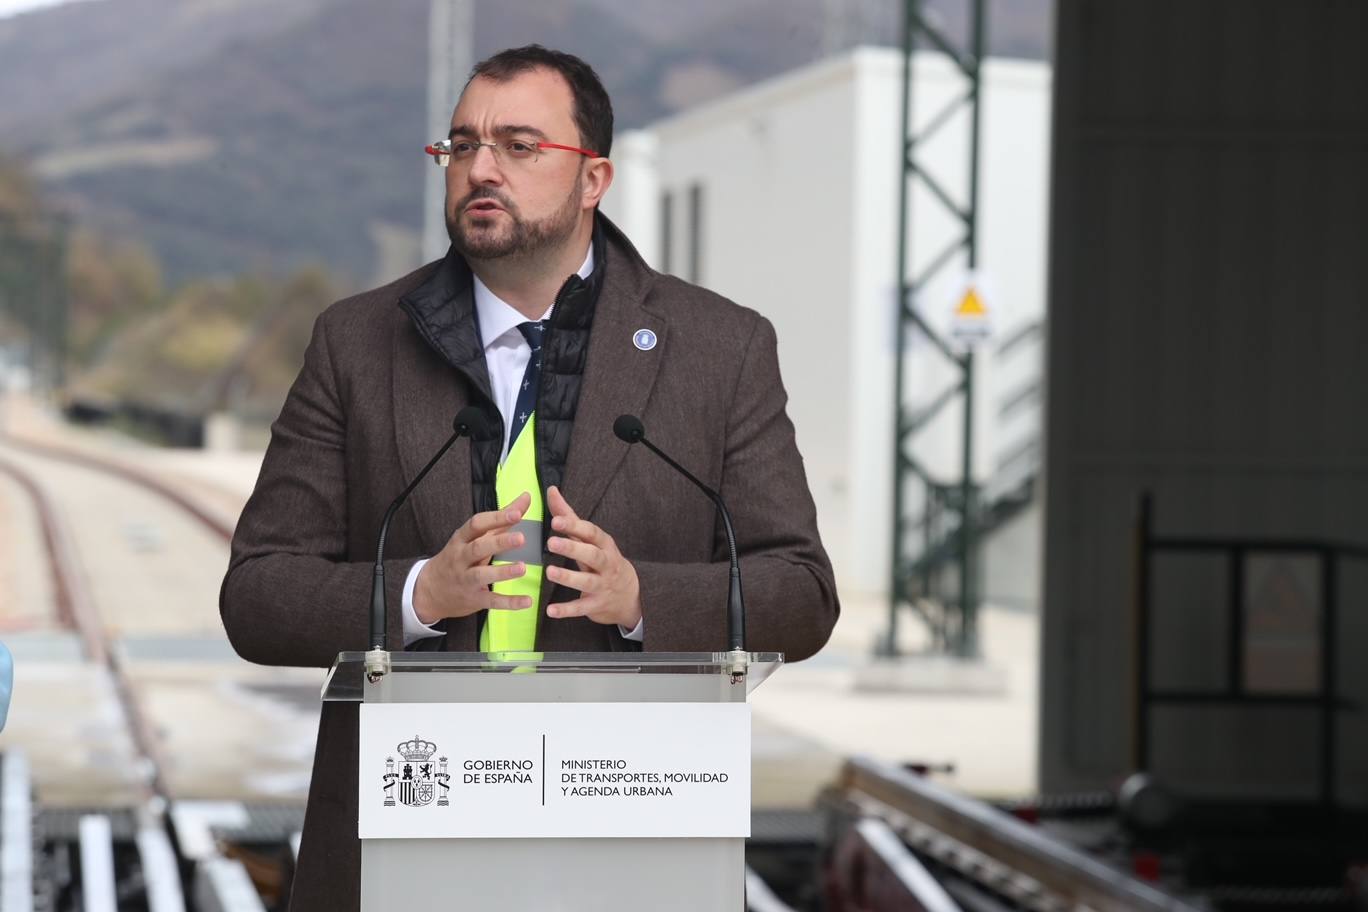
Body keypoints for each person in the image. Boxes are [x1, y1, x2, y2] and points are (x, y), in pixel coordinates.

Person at [220, 44, 838, 910]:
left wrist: (642, 598)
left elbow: (802, 593)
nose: (480, 168)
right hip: (406, 840)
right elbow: (256, 594)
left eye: (519, 145)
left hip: (633, 843)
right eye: (462, 145)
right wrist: (417, 597)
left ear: (594, 179)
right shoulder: (355, 344)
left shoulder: (722, 349)